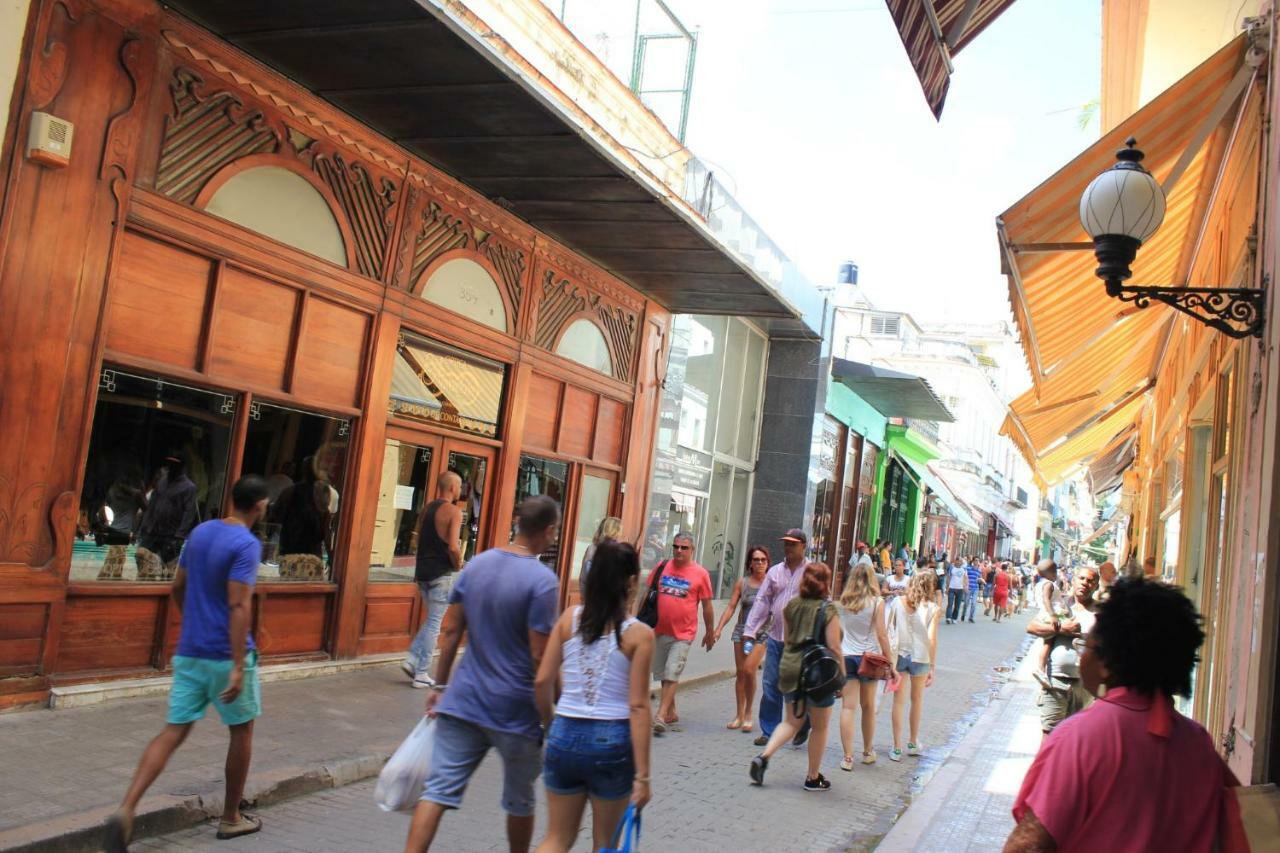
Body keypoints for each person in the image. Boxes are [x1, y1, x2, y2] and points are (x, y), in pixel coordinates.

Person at [1005, 579, 1240, 853]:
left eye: (1086, 647)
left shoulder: (1081, 737)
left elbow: (1028, 846)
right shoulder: (1198, 742)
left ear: (1106, 663)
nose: (1082, 655)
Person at [104, 475, 271, 851]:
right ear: (260, 506)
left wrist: (192, 620)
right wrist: (238, 665)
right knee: (242, 731)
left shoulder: (199, 533)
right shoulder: (246, 543)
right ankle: (231, 818)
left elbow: (176, 587)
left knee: (172, 731)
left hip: (190, 650)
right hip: (225, 654)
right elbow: (239, 603)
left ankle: (127, 808)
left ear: (230, 499)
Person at [405, 496, 561, 853]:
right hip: (515, 711)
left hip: (464, 699)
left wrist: (440, 686)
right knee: (520, 800)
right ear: (549, 530)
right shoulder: (542, 581)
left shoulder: (477, 565)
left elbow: (451, 630)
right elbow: (540, 656)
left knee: (437, 792)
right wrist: (551, 712)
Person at [534, 541, 653, 853]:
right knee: (605, 844)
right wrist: (642, 776)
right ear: (630, 582)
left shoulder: (569, 619)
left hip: (564, 731)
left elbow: (543, 680)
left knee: (556, 838)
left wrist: (551, 724)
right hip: (612, 739)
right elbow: (639, 706)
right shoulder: (639, 634)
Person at [748, 562, 842, 792]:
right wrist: (841, 677)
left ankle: (764, 756)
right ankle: (812, 776)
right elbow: (835, 647)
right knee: (819, 726)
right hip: (817, 673)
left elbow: (788, 641)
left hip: (791, 667)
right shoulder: (828, 610)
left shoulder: (791, 606)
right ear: (825, 583)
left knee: (791, 721)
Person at [743, 528, 811, 748]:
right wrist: (750, 630)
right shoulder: (775, 572)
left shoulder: (811, 571)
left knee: (798, 686)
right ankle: (769, 730)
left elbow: (824, 602)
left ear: (803, 546)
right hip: (775, 637)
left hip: (801, 641)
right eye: (786, 543)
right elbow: (762, 601)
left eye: (793, 544)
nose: (788, 547)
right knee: (771, 683)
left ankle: (803, 723)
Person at [642, 532, 715, 734]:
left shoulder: (700, 574)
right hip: (659, 629)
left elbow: (708, 605)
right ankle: (672, 711)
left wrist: (710, 631)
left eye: (684, 547)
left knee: (672, 671)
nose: (679, 551)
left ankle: (661, 715)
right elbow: (647, 594)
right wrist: (637, 622)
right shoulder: (662, 567)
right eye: (676, 546)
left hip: (683, 633)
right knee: (664, 673)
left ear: (692, 550)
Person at [402, 472, 463, 689]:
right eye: (460, 486)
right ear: (453, 487)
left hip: (423, 572)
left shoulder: (427, 508)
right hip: (441, 574)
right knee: (435, 624)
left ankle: (412, 660)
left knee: (431, 621)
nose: (461, 490)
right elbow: (454, 546)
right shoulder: (454, 512)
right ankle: (421, 673)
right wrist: (458, 564)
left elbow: (418, 537)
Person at [837, 563, 899, 770]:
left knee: (848, 707)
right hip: (869, 658)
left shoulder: (845, 601)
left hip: (847, 656)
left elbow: (839, 631)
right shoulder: (877, 602)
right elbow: (882, 634)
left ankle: (847, 757)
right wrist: (890, 662)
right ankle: (867, 751)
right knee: (868, 706)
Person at [1027, 566, 1099, 737]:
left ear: (1096, 586)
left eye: (1090, 581)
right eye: (1081, 579)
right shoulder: (1059, 604)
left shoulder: (1102, 612)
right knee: (1050, 736)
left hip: (1086, 686)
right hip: (1056, 682)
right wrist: (1061, 629)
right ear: (1073, 581)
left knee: (1075, 738)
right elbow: (1032, 627)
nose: (1085, 583)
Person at [712, 545, 771, 732]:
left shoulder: (771, 583)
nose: (760, 563)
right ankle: (738, 714)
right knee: (740, 672)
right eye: (756, 560)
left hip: (761, 634)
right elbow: (730, 607)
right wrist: (719, 628)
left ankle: (748, 713)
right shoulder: (743, 583)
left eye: (763, 560)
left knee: (749, 669)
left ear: (767, 563)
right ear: (750, 563)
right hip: (741, 632)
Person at [888, 572, 940, 761]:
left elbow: (889, 629)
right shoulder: (933, 608)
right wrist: (932, 666)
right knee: (916, 700)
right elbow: (932, 639)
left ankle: (896, 747)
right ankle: (912, 742)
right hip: (921, 657)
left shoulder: (898, 602)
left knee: (898, 701)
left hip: (900, 654)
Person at [577, 515, 622, 598]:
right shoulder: (616, 552)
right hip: (601, 601)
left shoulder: (592, 549)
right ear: (615, 532)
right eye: (619, 531)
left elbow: (584, 577)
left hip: (592, 600)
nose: (620, 535)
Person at [945, 556, 967, 624]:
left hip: (960, 589)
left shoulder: (964, 570)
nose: (959, 562)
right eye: (957, 560)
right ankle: (948, 617)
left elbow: (965, 578)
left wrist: (965, 586)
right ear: (955, 561)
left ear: (961, 562)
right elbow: (948, 578)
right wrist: (947, 587)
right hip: (952, 588)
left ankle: (954, 618)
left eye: (960, 561)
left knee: (957, 605)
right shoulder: (952, 568)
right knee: (950, 604)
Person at [964, 557, 981, 623]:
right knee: (966, 603)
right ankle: (963, 614)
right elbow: (964, 577)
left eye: (978, 561)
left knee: (973, 603)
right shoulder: (968, 568)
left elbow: (980, 579)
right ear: (973, 561)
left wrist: (980, 581)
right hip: (969, 588)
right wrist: (965, 585)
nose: (977, 562)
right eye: (976, 560)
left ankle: (971, 617)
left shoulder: (979, 570)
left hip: (975, 588)